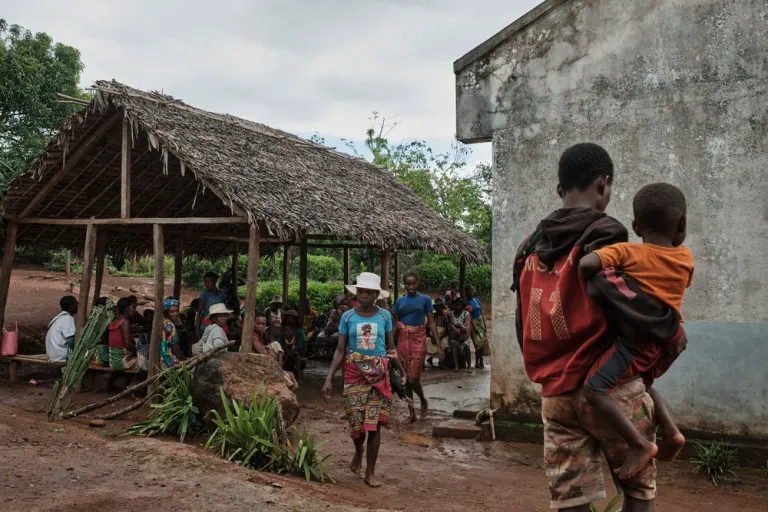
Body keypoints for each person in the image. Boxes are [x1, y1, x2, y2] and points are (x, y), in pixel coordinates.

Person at [511, 143, 685, 511]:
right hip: (611, 390)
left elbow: (521, 317)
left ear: (561, 190)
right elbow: (622, 300)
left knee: (572, 500)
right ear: (603, 184)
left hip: (555, 394)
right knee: (637, 491)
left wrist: (545, 369)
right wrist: (669, 329)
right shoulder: (605, 233)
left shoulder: (528, 246)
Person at [578, 183, 693, 478]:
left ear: (635, 225)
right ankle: (671, 431)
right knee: (644, 383)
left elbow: (586, 264)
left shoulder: (627, 252)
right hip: (670, 342)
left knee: (595, 389)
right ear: (681, 225)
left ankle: (638, 443)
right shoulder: (686, 260)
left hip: (635, 343)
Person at [322, 272, 406, 488]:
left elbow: (390, 348)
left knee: (375, 425)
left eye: (368, 292)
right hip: (353, 374)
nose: (364, 295)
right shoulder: (347, 317)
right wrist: (329, 377)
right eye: (361, 291)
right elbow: (341, 350)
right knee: (355, 423)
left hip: (379, 375)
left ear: (377, 294)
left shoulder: (385, 316)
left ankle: (370, 472)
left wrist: (401, 370)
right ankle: (358, 449)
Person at [393, 272, 439, 423]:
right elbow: (396, 324)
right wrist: (387, 344)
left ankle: (423, 399)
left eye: (413, 284)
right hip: (403, 341)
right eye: (408, 284)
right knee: (405, 379)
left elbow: (431, 323)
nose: (411, 287)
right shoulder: (399, 301)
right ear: (404, 284)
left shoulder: (425, 299)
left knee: (413, 379)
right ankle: (411, 413)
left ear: (417, 283)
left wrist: (438, 344)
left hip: (419, 339)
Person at [107, 298, 139, 390]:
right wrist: (139, 352)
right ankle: (133, 387)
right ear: (126, 309)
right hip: (122, 362)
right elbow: (128, 344)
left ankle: (117, 383)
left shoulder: (115, 322)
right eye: (133, 307)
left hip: (113, 361)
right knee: (147, 363)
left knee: (133, 356)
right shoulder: (125, 322)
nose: (135, 310)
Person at [45, 296, 78, 362]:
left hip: (52, 354)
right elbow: (70, 340)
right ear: (70, 306)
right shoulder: (68, 318)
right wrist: (71, 358)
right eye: (76, 303)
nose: (77, 305)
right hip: (59, 355)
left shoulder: (58, 317)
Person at [278, 314, 307, 383]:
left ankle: (299, 377)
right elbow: (279, 346)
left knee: (298, 360)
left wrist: (296, 351)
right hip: (285, 355)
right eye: (289, 318)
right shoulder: (282, 334)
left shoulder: (299, 333)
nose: (290, 320)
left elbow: (302, 347)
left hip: (295, 354)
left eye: (292, 319)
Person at [465, 285, 488, 369]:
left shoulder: (476, 300)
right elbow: (469, 316)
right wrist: (473, 325)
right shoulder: (466, 303)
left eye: (471, 290)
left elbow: (481, 312)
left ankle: (480, 359)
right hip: (473, 322)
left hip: (480, 321)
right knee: (477, 343)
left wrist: (484, 324)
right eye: (468, 291)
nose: (470, 292)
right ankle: (477, 362)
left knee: (482, 342)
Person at [447, 297, 472, 373]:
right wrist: (458, 327)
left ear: (462, 306)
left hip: (463, 336)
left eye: (459, 305)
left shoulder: (466, 313)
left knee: (466, 346)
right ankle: (456, 366)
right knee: (453, 344)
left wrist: (457, 326)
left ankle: (469, 366)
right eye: (456, 305)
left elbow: (465, 327)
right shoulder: (450, 314)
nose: (458, 306)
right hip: (454, 336)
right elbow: (449, 325)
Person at [160, 298, 187, 369]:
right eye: (172, 311)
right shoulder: (170, 325)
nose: (175, 314)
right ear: (166, 312)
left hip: (159, 358)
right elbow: (175, 348)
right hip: (167, 360)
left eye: (177, 311)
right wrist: (184, 360)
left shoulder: (162, 321)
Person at [198, 272, 227, 336]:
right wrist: (197, 330)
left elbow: (225, 310)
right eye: (205, 282)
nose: (206, 284)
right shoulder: (204, 295)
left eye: (208, 282)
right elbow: (199, 312)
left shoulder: (222, 295)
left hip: (220, 321)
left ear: (214, 282)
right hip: (207, 321)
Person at [426, 298, 449, 368]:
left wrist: (440, 337)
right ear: (435, 308)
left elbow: (447, 329)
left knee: (445, 342)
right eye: (437, 307)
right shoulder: (432, 316)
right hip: (433, 335)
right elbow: (427, 328)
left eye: (440, 307)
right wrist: (431, 336)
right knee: (426, 342)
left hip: (442, 335)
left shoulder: (445, 316)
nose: (438, 308)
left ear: (442, 308)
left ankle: (441, 362)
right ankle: (430, 358)